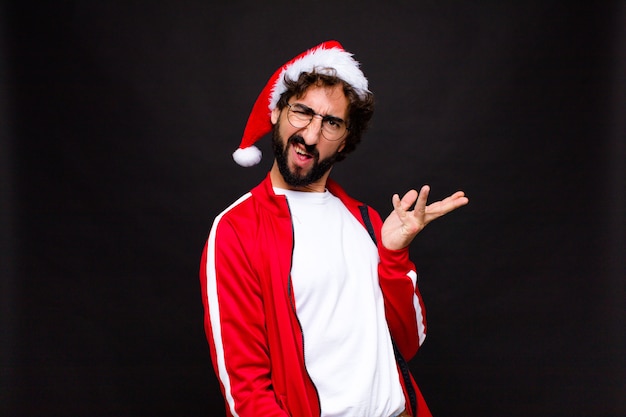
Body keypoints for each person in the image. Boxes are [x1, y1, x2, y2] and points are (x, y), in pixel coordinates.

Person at [199, 40, 468, 417]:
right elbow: (245, 392)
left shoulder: (367, 221)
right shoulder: (236, 230)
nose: (310, 136)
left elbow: (408, 342)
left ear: (345, 141)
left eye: (331, 123)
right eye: (302, 113)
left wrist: (393, 256)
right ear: (276, 112)